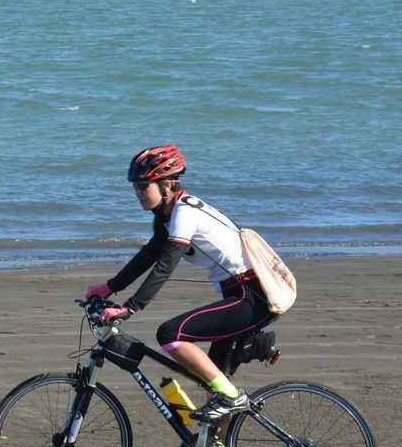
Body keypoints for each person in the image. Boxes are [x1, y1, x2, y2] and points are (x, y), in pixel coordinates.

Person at [85, 144, 275, 432]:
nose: (138, 193)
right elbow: (149, 254)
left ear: (167, 184)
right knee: (211, 379)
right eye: (135, 187)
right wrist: (109, 287)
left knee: (170, 334)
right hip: (239, 295)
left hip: (252, 296)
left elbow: (165, 263)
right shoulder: (168, 215)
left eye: (143, 186)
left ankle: (232, 397)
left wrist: (131, 306)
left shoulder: (185, 213)